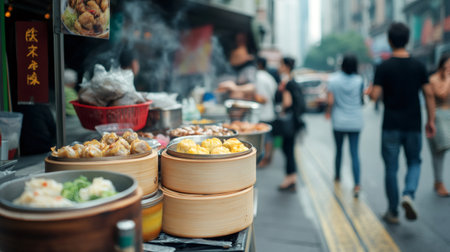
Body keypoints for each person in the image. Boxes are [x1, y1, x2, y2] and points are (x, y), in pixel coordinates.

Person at [369, 22, 436, 224]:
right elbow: (429, 94)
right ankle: (409, 193)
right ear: (407, 40)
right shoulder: (418, 65)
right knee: (414, 161)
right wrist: (431, 120)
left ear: (389, 40)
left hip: (390, 125)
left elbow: (375, 96)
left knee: (391, 167)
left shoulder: (383, 67)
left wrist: (371, 91)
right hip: (413, 124)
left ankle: (393, 211)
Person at [325, 54, 364, 198]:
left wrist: (328, 112)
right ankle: (357, 185)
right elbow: (361, 98)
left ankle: (337, 176)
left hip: (339, 121)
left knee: (339, 150)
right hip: (356, 121)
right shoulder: (359, 80)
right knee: (354, 153)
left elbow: (330, 101)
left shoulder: (333, 80)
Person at [275, 57, 304, 191]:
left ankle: (290, 179)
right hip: (295, 121)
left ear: (286, 66)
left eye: (280, 64)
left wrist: (281, 110)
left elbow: (287, 103)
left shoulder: (287, 82)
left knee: (288, 149)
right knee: (289, 149)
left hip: (288, 122)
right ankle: (291, 178)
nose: (278, 66)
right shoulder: (294, 81)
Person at [428, 54, 450, 197]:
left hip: (448, 115)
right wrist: (448, 78)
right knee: (439, 150)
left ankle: (438, 181)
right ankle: (439, 181)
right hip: (437, 116)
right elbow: (441, 94)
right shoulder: (433, 79)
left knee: (441, 151)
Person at [254, 57, 277, 167]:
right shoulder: (270, 78)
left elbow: (262, 98)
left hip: (262, 113)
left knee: (265, 138)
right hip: (270, 112)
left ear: (258, 64)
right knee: (269, 137)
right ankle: (268, 158)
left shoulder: (258, 77)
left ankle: (265, 159)